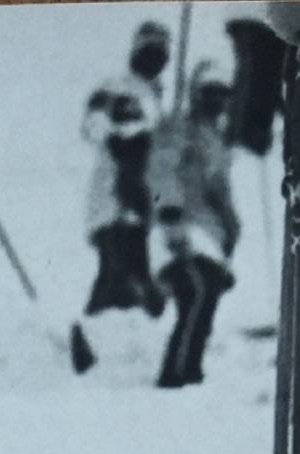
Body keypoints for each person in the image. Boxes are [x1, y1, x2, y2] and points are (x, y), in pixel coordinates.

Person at [70, 21, 170, 373]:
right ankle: (88, 337)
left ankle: (114, 343)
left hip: (139, 202)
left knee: (131, 272)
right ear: (136, 52)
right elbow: (93, 127)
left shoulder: (156, 96)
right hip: (114, 200)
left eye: (161, 53)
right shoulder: (116, 88)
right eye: (149, 51)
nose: (154, 58)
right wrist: (128, 134)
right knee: (117, 271)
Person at [148, 60, 240, 387]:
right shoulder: (178, 128)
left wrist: (231, 225)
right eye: (210, 93)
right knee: (196, 291)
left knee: (206, 293)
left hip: (207, 229)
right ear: (197, 95)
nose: (217, 101)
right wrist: (170, 213)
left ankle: (190, 369)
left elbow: (219, 188)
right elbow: (162, 170)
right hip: (178, 224)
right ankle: (175, 372)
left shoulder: (216, 139)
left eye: (222, 94)